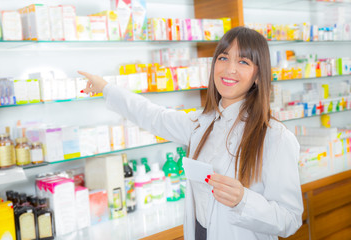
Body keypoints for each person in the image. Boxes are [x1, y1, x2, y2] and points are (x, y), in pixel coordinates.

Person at [79, 26, 303, 240]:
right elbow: (153, 116)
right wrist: (106, 88)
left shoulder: (275, 137)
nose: (229, 69)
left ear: (257, 76)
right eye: (223, 58)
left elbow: (290, 219)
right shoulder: (200, 123)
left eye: (243, 61)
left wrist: (243, 201)